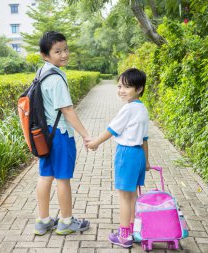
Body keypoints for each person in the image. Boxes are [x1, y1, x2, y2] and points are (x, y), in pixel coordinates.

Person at [34, 31, 90, 236]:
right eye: (57, 51)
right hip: (59, 134)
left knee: (45, 175)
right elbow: (67, 110)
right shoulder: (56, 79)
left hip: (44, 134)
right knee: (63, 178)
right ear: (45, 55)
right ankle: (66, 222)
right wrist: (85, 134)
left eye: (65, 49)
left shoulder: (41, 72)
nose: (64, 54)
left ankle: (43, 220)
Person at [86, 68, 151, 248]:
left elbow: (111, 130)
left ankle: (124, 236)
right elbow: (145, 139)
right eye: (119, 86)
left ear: (139, 89)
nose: (121, 90)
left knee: (124, 197)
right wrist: (146, 161)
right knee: (132, 197)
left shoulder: (128, 109)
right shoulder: (143, 109)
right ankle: (132, 231)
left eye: (127, 87)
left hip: (127, 154)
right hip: (138, 155)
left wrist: (95, 143)